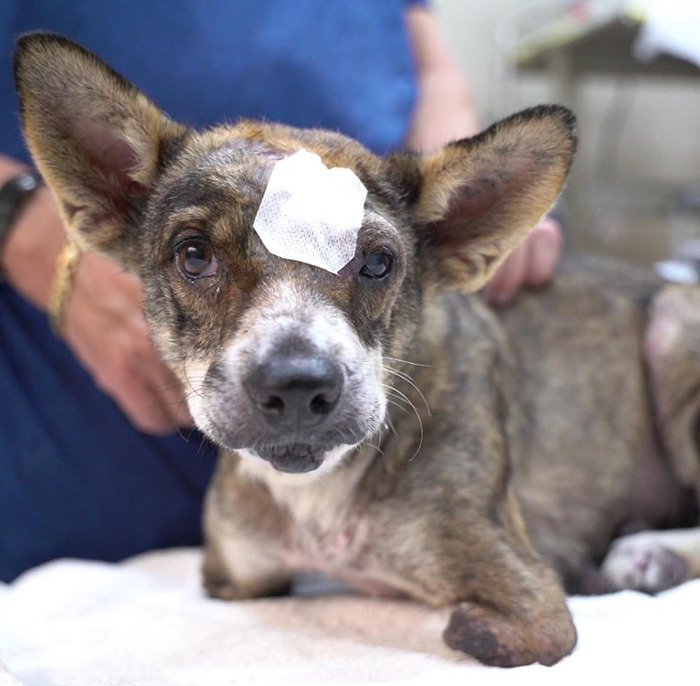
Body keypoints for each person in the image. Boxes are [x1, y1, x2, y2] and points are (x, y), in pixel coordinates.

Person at [0, 1, 561, 582]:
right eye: (198, 256)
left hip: (391, 458)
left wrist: (449, 212)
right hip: (75, 426)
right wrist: (25, 225)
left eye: (374, 262)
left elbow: (430, 71)